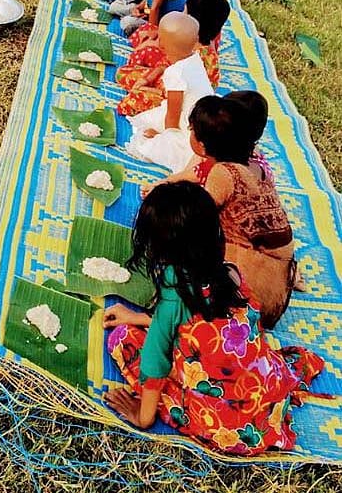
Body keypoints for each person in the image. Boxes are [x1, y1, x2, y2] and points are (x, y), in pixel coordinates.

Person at [103, 182, 323, 452]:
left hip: (225, 424)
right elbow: (201, 326)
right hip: (264, 398)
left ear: (158, 249)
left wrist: (143, 416)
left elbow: (154, 360)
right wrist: (141, 318)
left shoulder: (175, 295)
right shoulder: (230, 274)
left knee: (121, 339)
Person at [185, 95, 297, 327]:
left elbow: (194, 220)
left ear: (203, 144)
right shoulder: (255, 165)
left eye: (192, 129)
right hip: (277, 291)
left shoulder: (224, 174)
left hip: (248, 298)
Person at [116, 0, 229, 116]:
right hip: (170, 86)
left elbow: (174, 94)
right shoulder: (205, 50)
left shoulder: (189, 53)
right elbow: (165, 65)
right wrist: (147, 79)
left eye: (184, 12)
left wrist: (147, 89)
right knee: (127, 73)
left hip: (177, 102)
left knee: (128, 99)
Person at [127, 13, 213, 172]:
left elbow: (173, 115)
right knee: (155, 114)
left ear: (162, 46)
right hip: (202, 117)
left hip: (189, 127)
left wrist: (163, 137)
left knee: (148, 144)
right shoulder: (196, 58)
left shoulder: (175, 72)